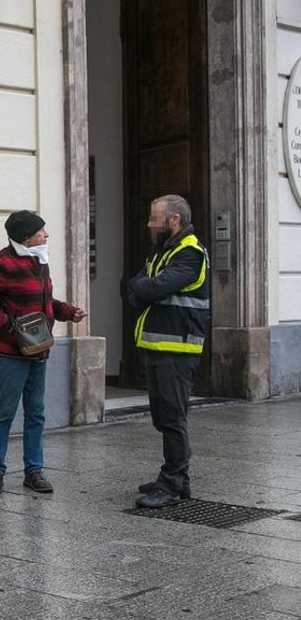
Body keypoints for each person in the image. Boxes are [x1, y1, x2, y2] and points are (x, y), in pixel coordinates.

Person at [0, 211, 86, 495]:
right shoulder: (1, 262)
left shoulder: (39, 260)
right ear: (25, 236)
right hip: (12, 352)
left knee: (36, 413)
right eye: (41, 231)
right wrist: (6, 325)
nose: (46, 235)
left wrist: (69, 312)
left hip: (39, 349)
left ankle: (34, 471)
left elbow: (45, 301)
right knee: (5, 412)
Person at [128, 194, 210, 508]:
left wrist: (146, 287)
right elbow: (134, 286)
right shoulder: (163, 251)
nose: (150, 224)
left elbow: (151, 288)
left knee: (173, 417)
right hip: (157, 345)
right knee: (163, 417)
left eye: (154, 218)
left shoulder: (190, 253)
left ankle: (171, 485)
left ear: (173, 220)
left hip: (177, 347)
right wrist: (144, 287)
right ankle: (179, 478)